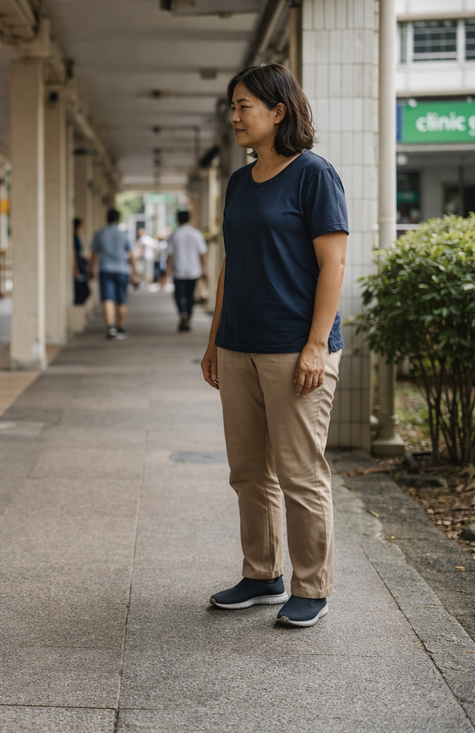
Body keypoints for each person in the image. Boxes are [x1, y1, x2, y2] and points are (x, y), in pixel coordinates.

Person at [201, 64, 347, 627]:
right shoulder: (239, 182)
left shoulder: (314, 175)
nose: (234, 116)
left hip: (294, 350)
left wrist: (316, 346)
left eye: (244, 106)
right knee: (248, 472)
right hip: (239, 345)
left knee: (300, 473)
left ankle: (313, 586)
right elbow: (231, 264)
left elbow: (332, 262)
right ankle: (262, 575)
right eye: (231, 107)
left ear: (278, 111)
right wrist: (215, 339)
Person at [88, 209, 138, 339]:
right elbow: (131, 255)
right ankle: (120, 328)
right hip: (122, 271)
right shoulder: (123, 234)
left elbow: (93, 253)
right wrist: (135, 272)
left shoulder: (100, 233)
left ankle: (110, 327)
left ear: (107, 219)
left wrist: (90, 269)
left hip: (105, 270)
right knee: (121, 300)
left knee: (107, 299)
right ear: (118, 220)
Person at [165, 210, 208, 332]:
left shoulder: (174, 234)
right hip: (193, 270)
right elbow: (202, 254)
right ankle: (188, 317)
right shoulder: (196, 234)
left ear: (177, 220)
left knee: (178, 295)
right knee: (190, 295)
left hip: (178, 270)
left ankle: (182, 313)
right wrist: (204, 269)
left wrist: (166, 271)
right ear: (189, 219)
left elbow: (169, 255)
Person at [72, 217, 90, 306]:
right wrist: (75, 269)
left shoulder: (76, 238)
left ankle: (78, 311)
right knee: (83, 292)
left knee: (84, 292)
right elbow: (74, 253)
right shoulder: (73, 238)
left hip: (81, 267)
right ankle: (77, 312)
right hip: (78, 268)